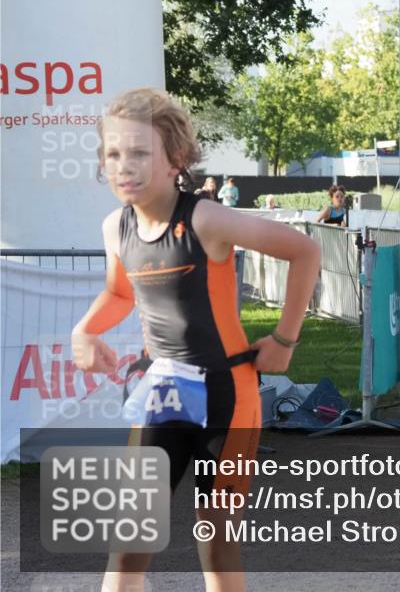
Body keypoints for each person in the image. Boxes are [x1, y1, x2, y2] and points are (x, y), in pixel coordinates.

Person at [71, 88, 321, 592]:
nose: (125, 165)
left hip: (228, 397)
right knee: (131, 535)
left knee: (216, 538)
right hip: (162, 390)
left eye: (140, 152)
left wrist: (285, 339)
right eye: (114, 154)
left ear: (175, 159)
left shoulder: (205, 220)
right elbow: (121, 290)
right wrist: (84, 330)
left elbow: (305, 251)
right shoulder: (114, 226)